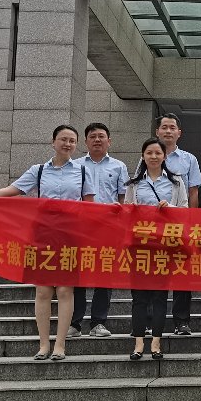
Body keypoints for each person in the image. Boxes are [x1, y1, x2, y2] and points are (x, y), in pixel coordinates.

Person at [0, 124, 97, 361]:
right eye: (63, 139)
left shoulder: (83, 171)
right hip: (43, 235)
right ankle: (44, 344)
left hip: (70, 236)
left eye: (72, 141)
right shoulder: (39, 170)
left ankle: (60, 345)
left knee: (65, 290)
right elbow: (12, 190)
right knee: (43, 291)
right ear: (53, 142)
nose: (67, 144)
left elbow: (90, 207)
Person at [123, 137, 187, 360]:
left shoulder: (176, 183)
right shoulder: (134, 184)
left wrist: (170, 208)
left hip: (164, 245)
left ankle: (157, 342)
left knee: (160, 295)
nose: (153, 156)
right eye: (149, 153)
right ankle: (139, 343)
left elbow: (185, 211)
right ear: (143, 156)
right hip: (140, 245)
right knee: (139, 296)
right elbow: (126, 212)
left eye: (157, 153)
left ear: (164, 156)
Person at [70, 122, 129, 339]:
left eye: (101, 136)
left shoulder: (119, 166)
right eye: (92, 136)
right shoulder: (75, 166)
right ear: (85, 142)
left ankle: (98, 323)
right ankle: (74, 323)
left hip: (108, 228)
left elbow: (123, 198)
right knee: (78, 275)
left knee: (104, 274)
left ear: (109, 141)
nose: (97, 140)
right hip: (80, 227)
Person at [155, 112, 201, 335]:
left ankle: (181, 321)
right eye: (164, 127)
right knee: (155, 271)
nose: (168, 131)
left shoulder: (189, 159)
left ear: (179, 133)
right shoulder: (149, 155)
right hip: (154, 227)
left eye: (172, 127)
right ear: (157, 131)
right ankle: (152, 319)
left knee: (182, 272)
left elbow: (193, 192)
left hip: (180, 224)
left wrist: (190, 222)